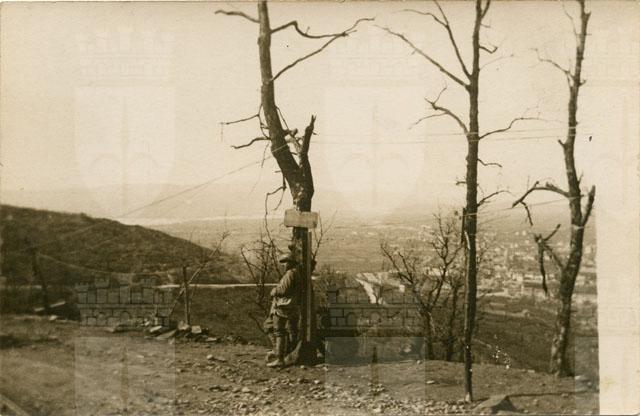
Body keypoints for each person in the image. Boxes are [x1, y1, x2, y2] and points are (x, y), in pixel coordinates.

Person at [265, 253, 301, 368]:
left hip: (284, 306)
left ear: (291, 263)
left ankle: (280, 357)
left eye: (285, 262)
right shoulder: (295, 273)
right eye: (282, 262)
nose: (283, 265)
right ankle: (282, 354)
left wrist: (274, 291)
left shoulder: (290, 273)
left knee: (278, 330)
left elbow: (284, 290)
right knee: (286, 330)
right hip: (289, 306)